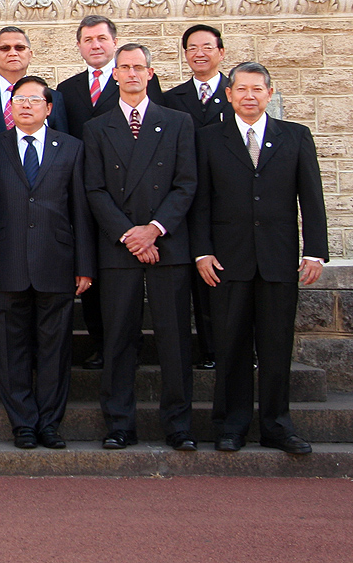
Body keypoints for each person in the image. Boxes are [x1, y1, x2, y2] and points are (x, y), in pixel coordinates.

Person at [191, 62, 327, 455]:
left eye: (257, 89)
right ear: (229, 94)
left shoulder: (295, 136)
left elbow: (312, 197)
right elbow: (200, 202)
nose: (249, 96)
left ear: (269, 93)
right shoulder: (208, 138)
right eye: (241, 89)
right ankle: (230, 426)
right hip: (226, 261)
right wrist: (202, 251)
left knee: (276, 345)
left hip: (278, 259)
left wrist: (315, 251)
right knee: (230, 345)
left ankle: (277, 427)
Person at [83, 43, 197, 452]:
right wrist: (129, 234)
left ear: (151, 73)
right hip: (119, 248)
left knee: (174, 340)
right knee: (118, 339)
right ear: (114, 74)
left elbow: (186, 183)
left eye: (139, 67)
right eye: (124, 67)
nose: (131, 73)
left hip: (167, 244)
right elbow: (94, 188)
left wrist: (153, 229)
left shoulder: (178, 122)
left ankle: (179, 425)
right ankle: (119, 424)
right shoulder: (97, 127)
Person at [0, 76, 94, 450]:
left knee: (54, 350)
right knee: (10, 350)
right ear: (9, 107)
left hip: (56, 263)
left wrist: (85, 265)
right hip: (6, 264)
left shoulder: (71, 148)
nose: (25, 105)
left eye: (33, 100)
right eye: (18, 100)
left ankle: (50, 423)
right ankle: (23, 423)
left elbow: (81, 210)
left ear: (49, 107)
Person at [0, 26, 68, 371]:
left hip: (44, 215)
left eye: (19, 47)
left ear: (30, 53)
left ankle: (37, 352)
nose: (12, 52)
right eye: (4, 47)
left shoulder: (53, 98)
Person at [57, 16, 162, 369]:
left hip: (132, 197)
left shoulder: (139, 81)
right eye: (88, 39)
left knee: (128, 280)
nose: (95, 45)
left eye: (102, 38)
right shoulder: (67, 89)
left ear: (114, 43)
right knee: (91, 269)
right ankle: (100, 343)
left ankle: (130, 345)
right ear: (79, 46)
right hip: (86, 192)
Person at [160, 23, 233, 371]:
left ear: (221, 52)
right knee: (192, 277)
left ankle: (231, 348)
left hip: (227, 201)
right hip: (183, 199)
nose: (199, 53)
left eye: (206, 47)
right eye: (192, 48)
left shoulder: (237, 93)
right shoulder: (172, 99)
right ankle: (205, 349)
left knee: (226, 277)